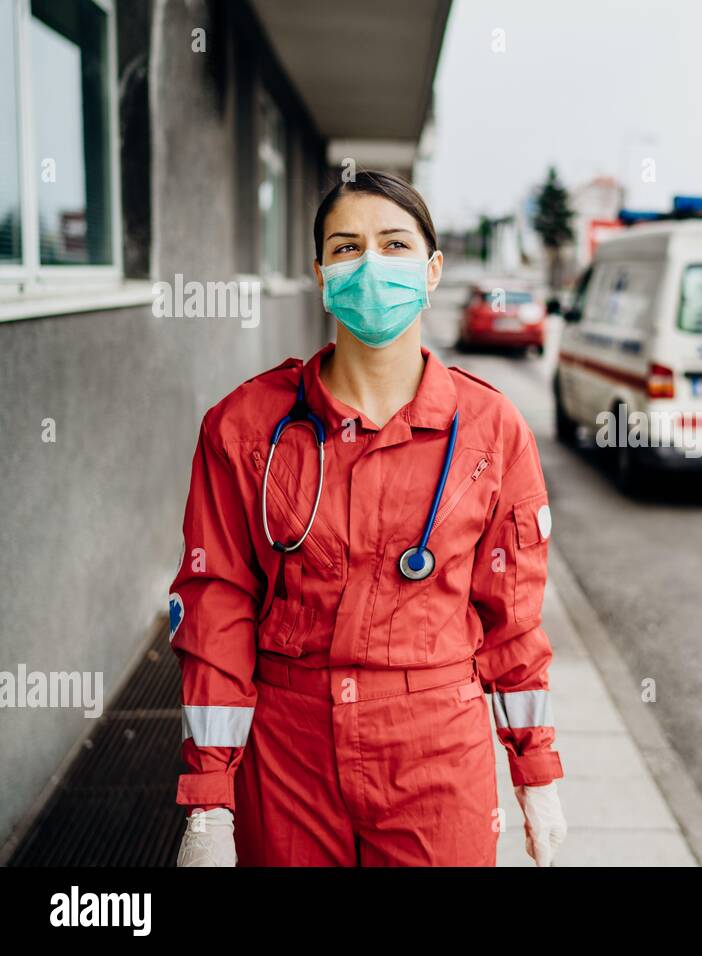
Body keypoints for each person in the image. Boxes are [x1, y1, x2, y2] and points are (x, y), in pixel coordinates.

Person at [169, 170, 566, 867]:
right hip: (288, 753)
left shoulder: (492, 432)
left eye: (394, 244)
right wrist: (209, 797)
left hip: (437, 752)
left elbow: (512, 617)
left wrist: (535, 771)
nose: (371, 265)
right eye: (347, 248)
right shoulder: (244, 427)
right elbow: (217, 606)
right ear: (320, 273)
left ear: (433, 269)